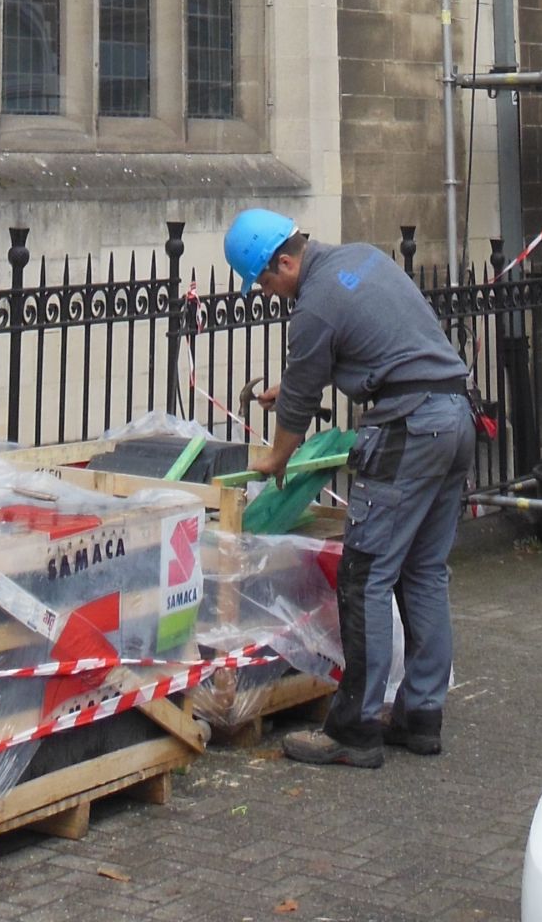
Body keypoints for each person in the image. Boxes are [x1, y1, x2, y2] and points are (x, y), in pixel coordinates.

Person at [223, 207, 474, 770]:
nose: (267, 292)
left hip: (408, 427)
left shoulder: (312, 305)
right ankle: (420, 716)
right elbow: (371, 342)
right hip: (454, 415)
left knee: (364, 575)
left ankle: (355, 728)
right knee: (424, 571)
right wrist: (289, 388)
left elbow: (302, 403)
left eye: (265, 280)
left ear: (284, 261)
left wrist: (274, 458)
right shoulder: (361, 258)